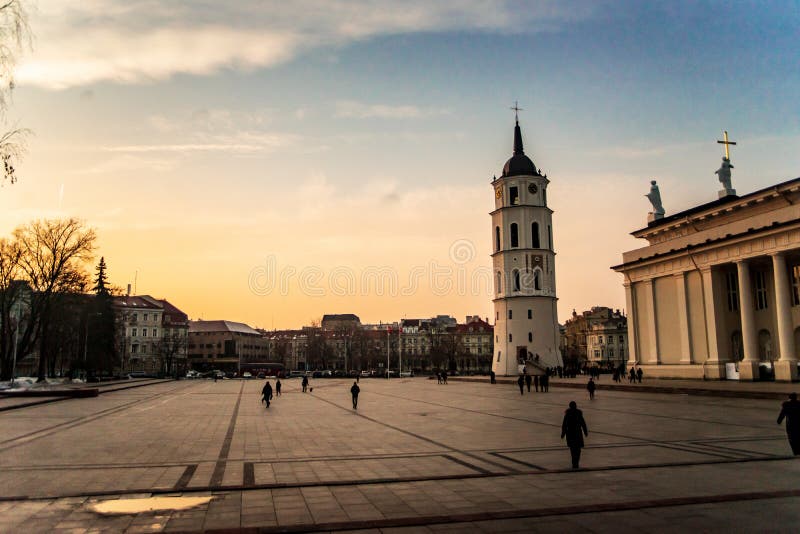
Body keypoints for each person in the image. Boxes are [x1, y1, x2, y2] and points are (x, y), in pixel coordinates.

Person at [561, 401, 589, 469]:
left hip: (570, 433)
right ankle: (576, 462)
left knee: (573, 449)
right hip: (577, 433)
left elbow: (564, 425)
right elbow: (583, 423)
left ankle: (574, 462)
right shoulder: (577, 413)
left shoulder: (568, 414)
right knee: (577, 449)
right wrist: (585, 432)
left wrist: (563, 433)